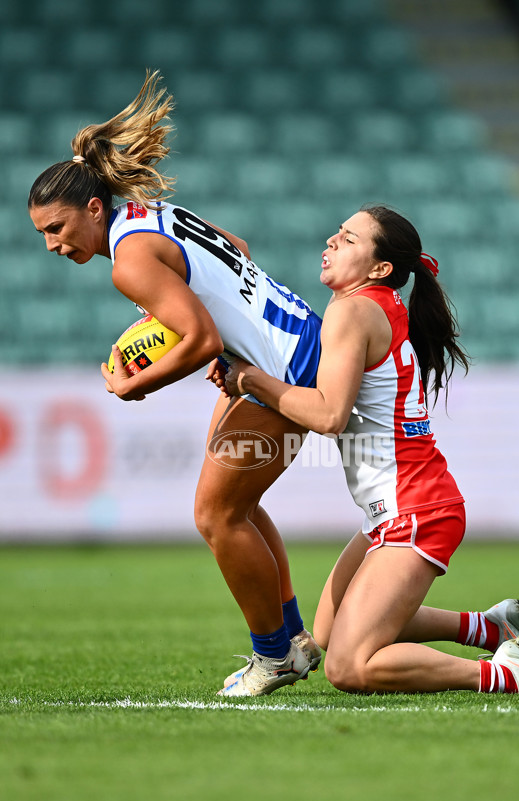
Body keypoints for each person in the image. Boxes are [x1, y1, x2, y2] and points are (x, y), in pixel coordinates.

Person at [27, 70, 323, 697]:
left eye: (56, 228)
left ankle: (274, 656)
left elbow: (201, 340)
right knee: (237, 508)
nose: (51, 244)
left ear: (92, 208)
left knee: (216, 515)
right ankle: (293, 639)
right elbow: (237, 248)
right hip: (292, 342)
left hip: (283, 366)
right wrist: (225, 335)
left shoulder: (128, 261)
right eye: (42, 234)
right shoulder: (149, 216)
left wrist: (136, 387)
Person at [222, 204, 519, 695]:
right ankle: (489, 629)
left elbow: (329, 416)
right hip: (401, 506)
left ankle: (511, 674)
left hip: (415, 509)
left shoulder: (352, 310)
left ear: (380, 268)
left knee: (349, 667)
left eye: (349, 239)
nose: (331, 241)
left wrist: (250, 379)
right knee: (327, 631)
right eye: (338, 232)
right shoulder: (377, 304)